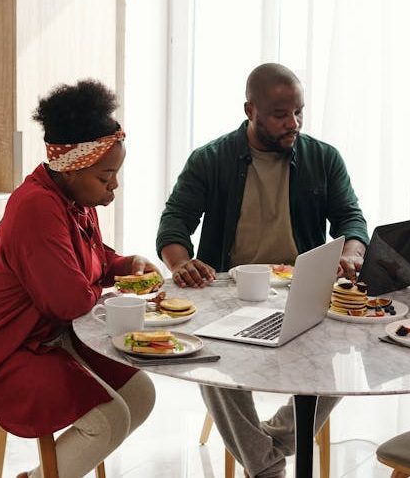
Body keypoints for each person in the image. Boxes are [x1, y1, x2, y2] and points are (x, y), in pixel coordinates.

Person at [156, 63, 369, 478]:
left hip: (302, 294)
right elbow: (174, 223)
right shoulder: (210, 159)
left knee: (347, 356)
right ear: (249, 109)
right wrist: (181, 263)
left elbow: (352, 221)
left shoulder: (323, 158)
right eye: (280, 114)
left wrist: (354, 254)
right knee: (206, 361)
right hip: (226, 294)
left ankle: (270, 447)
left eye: (299, 112)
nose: (294, 123)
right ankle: (267, 467)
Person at [0, 80, 156, 478]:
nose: (114, 186)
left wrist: (124, 265)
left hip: (44, 338)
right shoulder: (36, 208)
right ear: (73, 167)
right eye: (106, 176)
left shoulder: (74, 197)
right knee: (107, 418)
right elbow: (69, 301)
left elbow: (87, 258)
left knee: (139, 394)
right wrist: (103, 292)